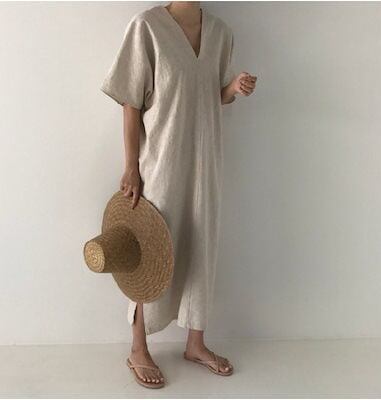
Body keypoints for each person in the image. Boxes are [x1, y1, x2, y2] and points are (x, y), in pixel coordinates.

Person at [101, 1, 257, 388]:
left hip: (205, 162)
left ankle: (195, 343)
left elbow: (212, 94)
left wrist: (233, 88)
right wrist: (131, 165)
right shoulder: (147, 27)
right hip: (161, 161)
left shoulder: (220, 33)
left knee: (201, 245)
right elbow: (131, 101)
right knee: (150, 252)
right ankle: (138, 347)